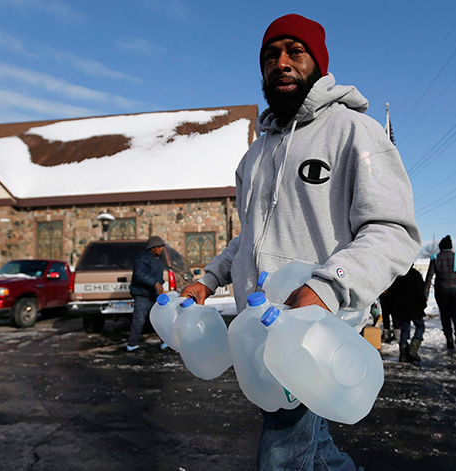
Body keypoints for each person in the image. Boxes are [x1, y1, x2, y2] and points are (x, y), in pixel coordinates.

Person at [180, 13, 421, 471]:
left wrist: (329, 287)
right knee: (315, 449)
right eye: (271, 56)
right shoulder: (256, 154)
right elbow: (247, 237)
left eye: (295, 51)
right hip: (259, 327)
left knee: (283, 454)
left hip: (313, 328)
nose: (282, 63)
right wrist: (207, 280)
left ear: (318, 63)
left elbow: (393, 230)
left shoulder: (354, 133)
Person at [424, 235, 456, 353]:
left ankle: (449, 340)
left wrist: (426, 293)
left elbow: (429, 277)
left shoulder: (436, 258)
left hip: (441, 291)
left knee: (445, 316)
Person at [126, 236, 166, 352]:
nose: (161, 249)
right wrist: (155, 284)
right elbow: (140, 274)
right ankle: (132, 345)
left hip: (153, 294)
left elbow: (156, 275)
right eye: (159, 247)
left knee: (160, 319)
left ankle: (165, 343)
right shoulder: (142, 259)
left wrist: (160, 283)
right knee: (139, 320)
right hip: (142, 294)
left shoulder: (157, 258)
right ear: (153, 248)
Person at [385, 265, 428, 362]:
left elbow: (392, 294)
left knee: (405, 330)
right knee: (420, 326)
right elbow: (421, 291)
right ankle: (414, 346)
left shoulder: (398, 276)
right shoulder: (415, 274)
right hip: (415, 307)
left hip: (401, 308)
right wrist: (423, 304)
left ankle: (403, 353)